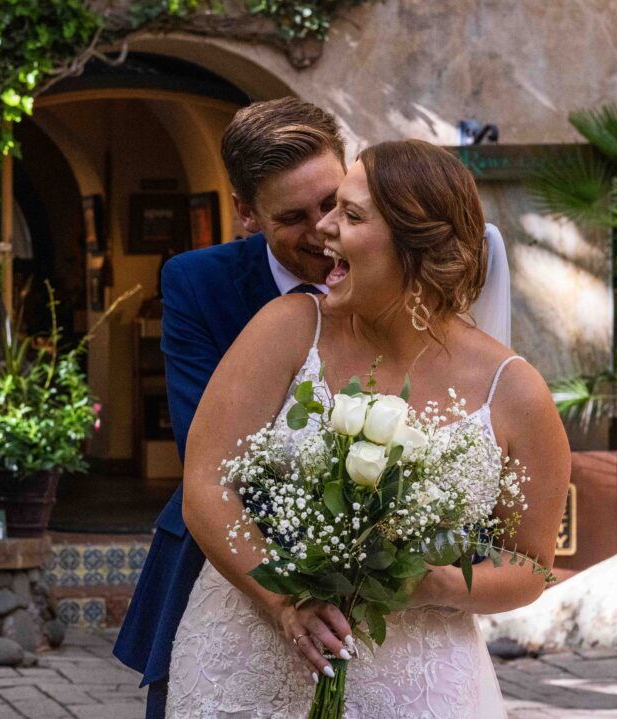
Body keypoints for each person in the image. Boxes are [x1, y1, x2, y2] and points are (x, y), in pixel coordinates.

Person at [165, 139, 572, 717]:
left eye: (350, 215)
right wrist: (286, 603)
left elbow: (530, 565)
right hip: (247, 659)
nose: (323, 229)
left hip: (420, 679)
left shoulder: (515, 392)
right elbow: (205, 485)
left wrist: (432, 584)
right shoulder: (286, 327)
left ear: (417, 246)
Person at [113, 97, 347, 719]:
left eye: (332, 203)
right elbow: (209, 454)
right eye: (293, 217)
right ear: (247, 214)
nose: (323, 230)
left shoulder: (393, 268)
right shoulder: (197, 283)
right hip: (223, 562)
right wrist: (285, 592)